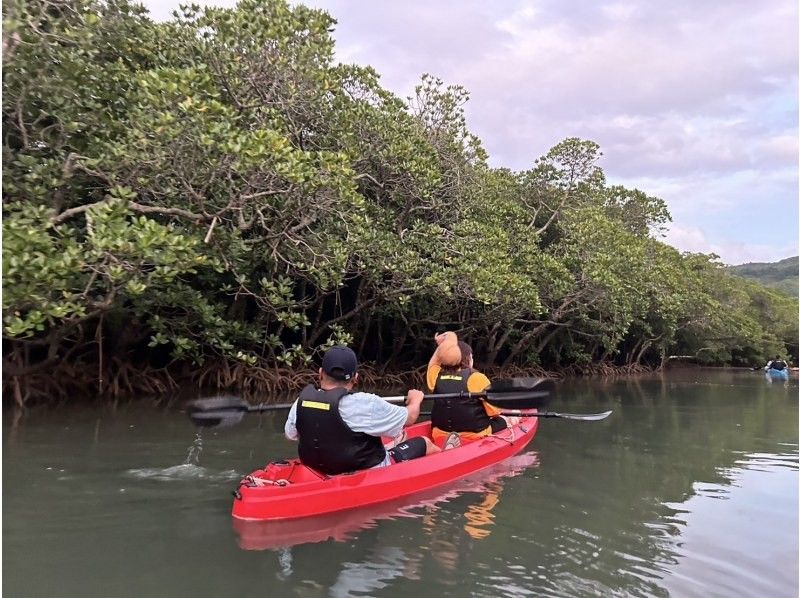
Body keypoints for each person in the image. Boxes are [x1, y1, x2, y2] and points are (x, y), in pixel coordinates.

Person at [285, 345, 440, 476]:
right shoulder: (366, 403)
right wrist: (415, 399)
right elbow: (411, 417)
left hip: (317, 470)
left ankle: (395, 444)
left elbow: (290, 434)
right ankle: (447, 456)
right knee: (424, 442)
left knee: (386, 441)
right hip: (363, 473)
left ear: (320, 373)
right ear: (355, 378)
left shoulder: (301, 401)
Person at [426, 332, 518, 449]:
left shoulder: (435, 375)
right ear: (468, 358)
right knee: (503, 420)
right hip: (474, 435)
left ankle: (449, 441)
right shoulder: (477, 378)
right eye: (471, 356)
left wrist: (442, 347)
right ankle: (514, 419)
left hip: (439, 434)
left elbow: (433, 363)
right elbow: (494, 412)